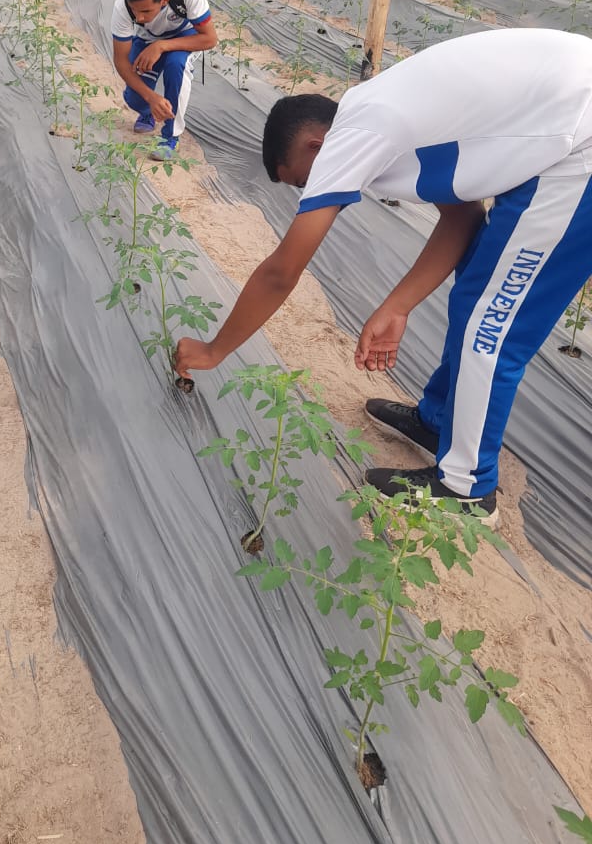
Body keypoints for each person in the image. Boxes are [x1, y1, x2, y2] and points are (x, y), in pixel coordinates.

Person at [175, 28, 592, 523]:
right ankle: (441, 422)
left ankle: (467, 487)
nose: (311, 191)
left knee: (491, 324)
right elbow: (463, 217)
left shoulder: (356, 134)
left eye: (304, 179)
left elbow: (282, 272)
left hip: (579, 149)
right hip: (561, 127)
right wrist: (397, 306)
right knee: (476, 291)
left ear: (316, 144)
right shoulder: (386, 117)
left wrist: (214, 350)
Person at [111, 0, 217, 160]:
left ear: (164, 0)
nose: (139, 18)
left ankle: (170, 137)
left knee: (176, 66)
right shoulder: (122, 7)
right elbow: (121, 61)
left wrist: (161, 46)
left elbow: (210, 39)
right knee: (135, 99)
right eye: (134, 10)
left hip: (185, 36)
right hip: (147, 39)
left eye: (146, 11)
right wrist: (151, 98)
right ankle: (147, 112)